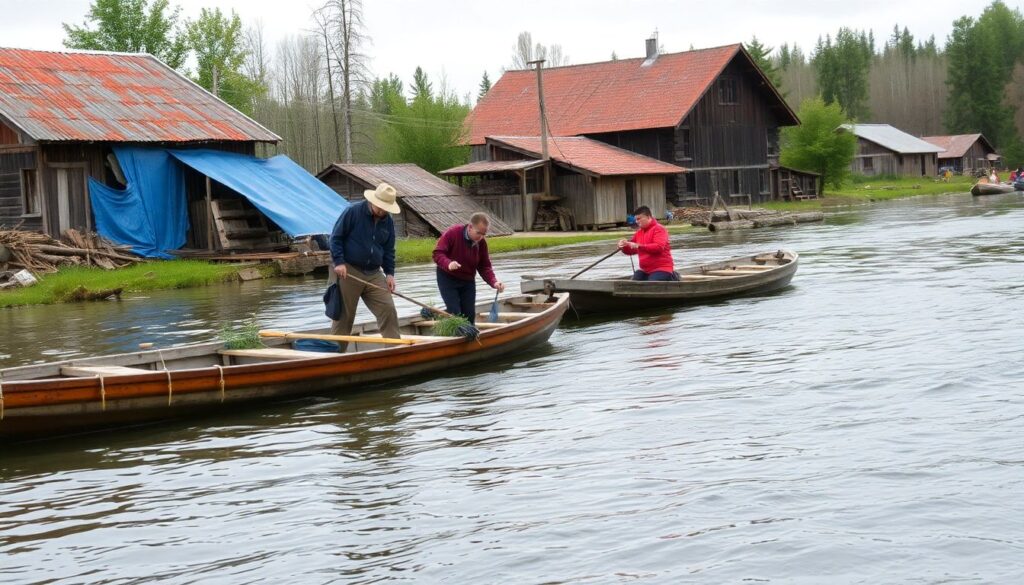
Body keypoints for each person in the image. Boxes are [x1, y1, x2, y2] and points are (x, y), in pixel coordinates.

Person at [328, 182, 402, 350]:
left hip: (374, 273)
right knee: (344, 317)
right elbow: (336, 238)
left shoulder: (388, 221)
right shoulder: (353, 212)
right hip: (348, 270)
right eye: (380, 207)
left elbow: (389, 249)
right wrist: (339, 262)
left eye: (386, 208)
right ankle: (336, 354)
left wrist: (390, 273)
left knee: (388, 308)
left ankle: (395, 350)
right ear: (373, 201)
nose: (382, 211)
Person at [432, 212, 505, 323]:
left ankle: (469, 332)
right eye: (478, 233)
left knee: (469, 315)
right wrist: (448, 264)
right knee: (455, 313)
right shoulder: (453, 233)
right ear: (470, 227)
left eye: (483, 234)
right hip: (448, 279)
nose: (480, 237)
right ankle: (453, 330)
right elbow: (438, 253)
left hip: (467, 281)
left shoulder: (481, 243)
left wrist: (494, 282)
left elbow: (484, 266)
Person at [618, 206, 677, 281]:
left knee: (650, 284)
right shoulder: (638, 233)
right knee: (633, 283)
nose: (636, 221)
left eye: (639, 219)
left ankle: (672, 277)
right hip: (645, 270)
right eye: (636, 219)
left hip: (662, 268)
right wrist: (623, 246)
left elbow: (658, 247)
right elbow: (631, 250)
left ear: (648, 217)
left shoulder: (659, 229)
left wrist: (639, 246)